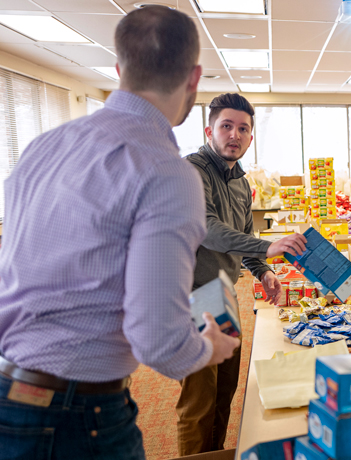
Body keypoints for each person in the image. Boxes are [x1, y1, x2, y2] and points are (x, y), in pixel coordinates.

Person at [0, 6, 240, 460]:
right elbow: (160, 342)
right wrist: (211, 347)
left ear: (118, 69)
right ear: (194, 79)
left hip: (10, 388)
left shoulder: (43, 146)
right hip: (77, 412)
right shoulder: (166, 171)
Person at [175, 94, 307, 455]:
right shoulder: (191, 172)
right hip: (193, 295)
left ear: (251, 137)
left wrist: (263, 271)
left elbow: (244, 237)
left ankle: (214, 454)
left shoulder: (239, 181)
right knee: (199, 400)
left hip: (223, 293)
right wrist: (269, 247)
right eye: (226, 126)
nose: (235, 135)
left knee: (224, 392)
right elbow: (208, 229)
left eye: (243, 129)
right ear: (209, 130)